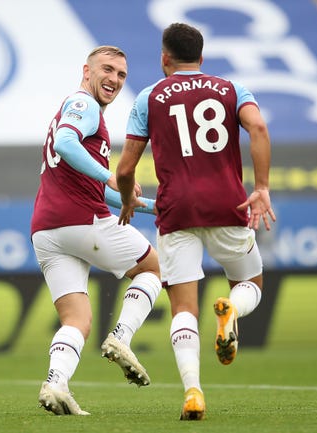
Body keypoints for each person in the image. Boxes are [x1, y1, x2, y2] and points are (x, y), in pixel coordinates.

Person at [116, 23, 276, 421]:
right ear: (201, 58)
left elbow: (125, 168)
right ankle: (232, 312)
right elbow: (257, 127)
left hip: (177, 211)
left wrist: (126, 198)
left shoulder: (149, 96)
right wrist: (263, 187)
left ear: (164, 58)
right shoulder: (232, 89)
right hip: (229, 204)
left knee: (183, 309)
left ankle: (193, 393)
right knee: (249, 283)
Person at [30, 45, 161, 416]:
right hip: (79, 219)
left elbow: (107, 192)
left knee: (76, 320)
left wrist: (154, 206)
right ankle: (121, 338)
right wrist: (114, 174)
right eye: (107, 69)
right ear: (85, 71)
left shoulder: (80, 110)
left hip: (47, 230)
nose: (114, 79)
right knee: (152, 268)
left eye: (121, 74)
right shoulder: (83, 105)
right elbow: (66, 143)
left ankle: (56, 384)